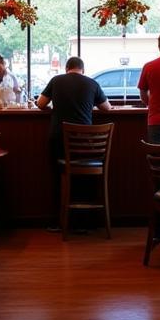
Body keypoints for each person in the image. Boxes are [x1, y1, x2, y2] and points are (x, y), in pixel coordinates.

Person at [36, 57, 112, 230]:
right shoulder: (92, 83)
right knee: (83, 178)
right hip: (85, 142)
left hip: (59, 139)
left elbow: (40, 104)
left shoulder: (56, 80)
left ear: (66, 68)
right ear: (82, 70)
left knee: (58, 177)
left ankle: (59, 221)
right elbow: (106, 108)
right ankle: (83, 223)